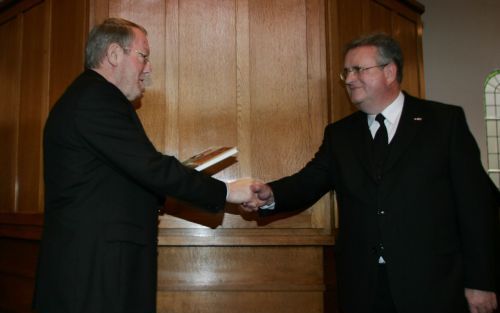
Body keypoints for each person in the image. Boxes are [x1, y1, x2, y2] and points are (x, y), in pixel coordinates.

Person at [243, 33, 499, 313]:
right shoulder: (340, 134)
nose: (350, 79)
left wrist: (481, 281)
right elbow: (310, 180)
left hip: (434, 285)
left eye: (359, 70)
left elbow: (476, 208)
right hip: (364, 287)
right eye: (347, 72)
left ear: (390, 71)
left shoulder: (443, 123)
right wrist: (271, 194)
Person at [33, 18, 262, 313]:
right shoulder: (96, 98)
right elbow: (151, 168)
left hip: (98, 266)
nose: (149, 68)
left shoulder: (92, 96)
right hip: (94, 270)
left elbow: (128, 177)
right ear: (114, 54)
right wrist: (228, 191)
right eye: (143, 56)